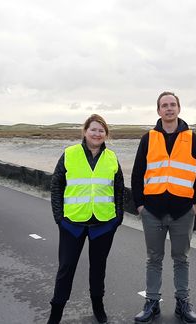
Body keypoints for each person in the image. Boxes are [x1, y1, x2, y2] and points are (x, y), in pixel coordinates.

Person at [131, 91, 196, 323]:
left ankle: (182, 303)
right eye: (164, 105)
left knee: (181, 258)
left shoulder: (191, 138)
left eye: (172, 104)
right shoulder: (148, 138)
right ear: (158, 111)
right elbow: (137, 173)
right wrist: (141, 205)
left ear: (178, 108)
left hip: (183, 211)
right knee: (153, 258)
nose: (169, 108)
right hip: (152, 211)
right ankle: (152, 303)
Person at [47, 114, 124, 324]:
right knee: (66, 268)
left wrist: (118, 218)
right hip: (72, 224)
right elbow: (56, 186)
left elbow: (119, 190)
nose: (97, 134)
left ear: (106, 134)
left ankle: (98, 308)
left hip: (103, 224)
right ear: (85, 131)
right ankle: (56, 313)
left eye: (101, 130)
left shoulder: (111, 157)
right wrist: (59, 217)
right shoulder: (69, 154)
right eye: (93, 129)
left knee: (98, 269)